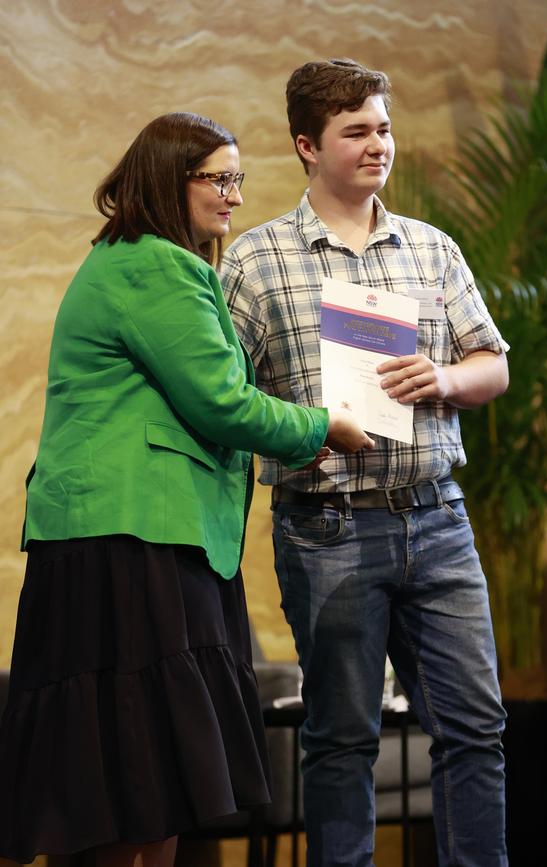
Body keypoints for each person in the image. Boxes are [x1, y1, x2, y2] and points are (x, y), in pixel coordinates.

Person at [0, 111, 374, 867]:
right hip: (135, 536)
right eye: (219, 179)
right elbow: (221, 402)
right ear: (172, 180)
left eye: (238, 178)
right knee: (138, 769)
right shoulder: (155, 266)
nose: (234, 196)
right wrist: (323, 426)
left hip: (122, 534)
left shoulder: (131, 259)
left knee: (128, 776)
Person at [220, 60, 510, 867]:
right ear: (307, 145)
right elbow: (223, 397)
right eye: (357, 131)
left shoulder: (431, 248)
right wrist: (304, 426)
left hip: (437, 515)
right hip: (328, 525)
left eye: (383, 126)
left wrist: (447, 377)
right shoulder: (254, 260)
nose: (378, 143)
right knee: (343, 738)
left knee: (475, 727)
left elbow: (494, 364)